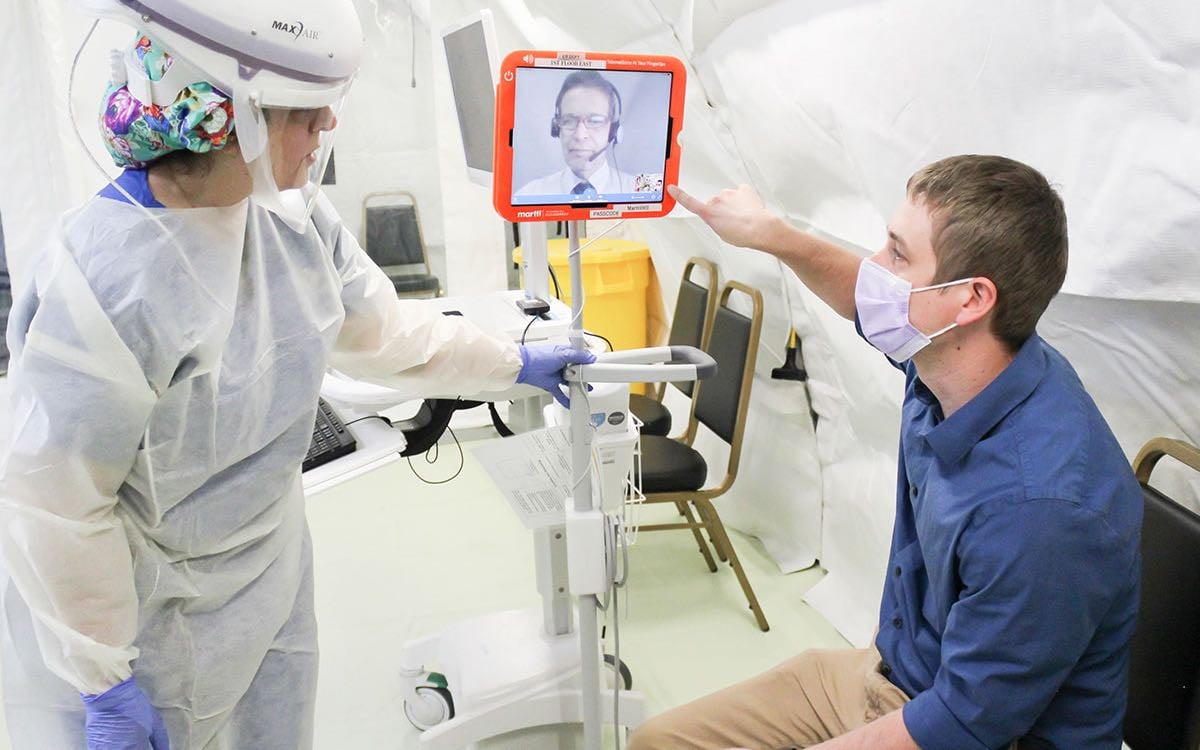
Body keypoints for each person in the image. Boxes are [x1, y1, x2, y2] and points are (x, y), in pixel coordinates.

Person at [0, 4, 591, 749]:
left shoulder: (290, 219)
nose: (327, 132)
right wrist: (104, 679)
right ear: (237, 117)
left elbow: (386, 334)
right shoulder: (104, 284)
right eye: (308, 116)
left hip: (270, 573)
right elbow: (57, 505)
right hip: (150, 620)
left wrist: (511, 362)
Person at [629, 155, 1143, 749]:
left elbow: (960, 725)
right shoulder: (958, 359)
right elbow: (865, 298)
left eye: (897, 255)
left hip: (974, 731)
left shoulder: (1041, 509)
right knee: (658, 742)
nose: (876, 269)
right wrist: (772, 235)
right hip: (896, 675)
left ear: (970, 299)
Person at [515, 70, 638, 199]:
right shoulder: (528, 194)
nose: (580, 135)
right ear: (557, 128)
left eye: (595, 121)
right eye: (568, 121)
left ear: (613, 131)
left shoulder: (640, 189)